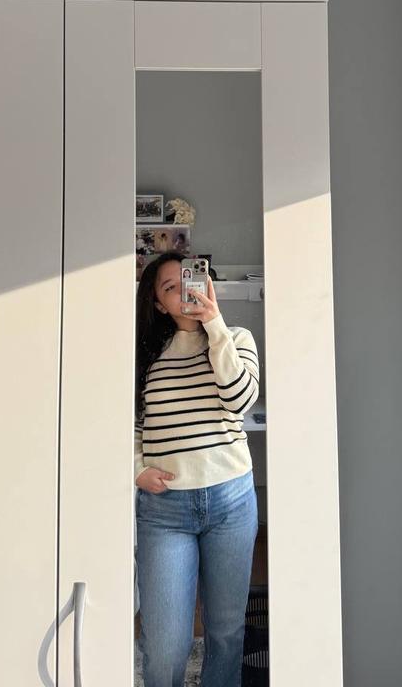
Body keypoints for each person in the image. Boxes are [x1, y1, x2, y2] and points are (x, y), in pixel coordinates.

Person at [134, 250, 260, 687]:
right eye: (170, 288)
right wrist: (136, 469)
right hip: (164, 511)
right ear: (158, 304)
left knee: (225, 631)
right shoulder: (146, 356)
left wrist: (214, 325)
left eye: (190, 280)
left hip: (231, 501)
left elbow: (239, 401)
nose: (184, 292)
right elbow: (130, 422)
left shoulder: (236, 338)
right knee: (165, 643)